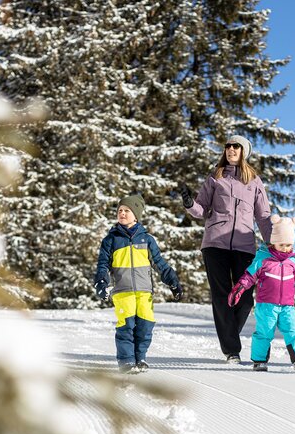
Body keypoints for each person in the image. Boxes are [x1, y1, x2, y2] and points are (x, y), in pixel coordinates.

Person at [179, 135, 272, 364]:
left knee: (245, 299)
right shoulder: (215, 176)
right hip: (214, 244)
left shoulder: (254, 181)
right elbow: (202, 209)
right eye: (228, 146)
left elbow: (263, 216)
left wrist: (273, 245)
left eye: (236, 146)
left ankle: (229, 335)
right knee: (221, 296)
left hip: (244, 245)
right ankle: (232, 350)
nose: (230, 149)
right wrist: (190, 204)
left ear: (244, 151)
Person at [94, 194, 183, 373]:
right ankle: (126, 360)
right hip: (122, 291)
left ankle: (140, 357)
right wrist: (102, 283)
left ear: (136, 215)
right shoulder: (111, 240)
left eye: (127, 210)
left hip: (144, 291)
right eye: (120, 210)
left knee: (145, 325)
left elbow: (159, 263)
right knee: (126, 326)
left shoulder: (147, 240)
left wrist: (173, 281)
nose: (122, 213)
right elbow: (102, 265)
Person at [227, 215, 295, 372]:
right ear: (274, 241)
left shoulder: (292, 262)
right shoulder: (263, 259)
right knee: (264, 332)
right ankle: (259, 360)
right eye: (282, 244)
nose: (286, 248)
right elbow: (249, 276)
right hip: (266, 305)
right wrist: (239, 288)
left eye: (289, 245)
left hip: (287, 305)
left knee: (293, 329)